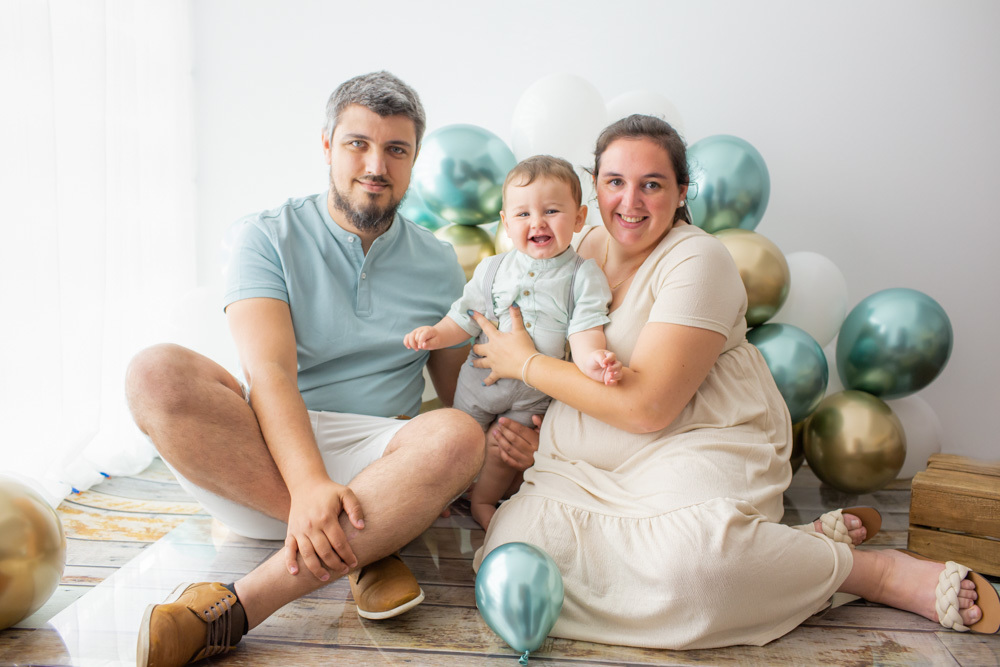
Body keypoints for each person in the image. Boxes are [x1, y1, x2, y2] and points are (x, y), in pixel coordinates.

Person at [469, 114, 999, 649]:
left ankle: (868, 572)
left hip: (689, 439)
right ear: (594, 188)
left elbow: (649, 408)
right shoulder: (571, 245)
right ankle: (777, 554)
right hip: (584, 460)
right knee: (509, 552)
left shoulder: (699, 259)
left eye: (652, 184)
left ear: (680, 193)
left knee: (695, 571)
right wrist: (534, 425)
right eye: (615, 182)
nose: (630, 201)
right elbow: (535, 345)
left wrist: (525, 365)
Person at [125, 71, 529, 667]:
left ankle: (238, 607)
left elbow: (458, 392)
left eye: (396, 149)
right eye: (357, 144)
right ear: (326, 147)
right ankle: (367, 549)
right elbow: (269, 376)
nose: (376, 165)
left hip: (380, 463)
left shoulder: (440, 262)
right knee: (152, 373)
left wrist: (508, 433)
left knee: (458, 434)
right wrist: (312, 487)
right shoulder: (264, 237)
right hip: (264, 454)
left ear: (414, 160)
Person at [404, 155, 622, 530]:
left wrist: (594, 361)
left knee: (503, 449)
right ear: (506, 222)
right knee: (457, 438)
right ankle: (439, 493)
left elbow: (584, 330)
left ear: (579, 218)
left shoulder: (583, 276)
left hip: (534, 393)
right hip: (479, 381)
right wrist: (437, 334)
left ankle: (483, 502)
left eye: (552, 211)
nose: (537, 222)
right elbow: (466, 316)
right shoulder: (493, 269)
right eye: (523, 215)